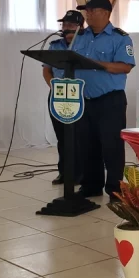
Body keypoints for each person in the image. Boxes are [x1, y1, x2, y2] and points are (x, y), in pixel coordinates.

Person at [71, 0, 135, 202]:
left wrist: (98, 64)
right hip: (84, 99)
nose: (87, 14)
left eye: (91, 10)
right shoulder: (80, 36)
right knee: (87, 145)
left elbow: (126, 66)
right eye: (86, 11)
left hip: (110, 101)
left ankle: (115, 189)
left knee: (111, 146)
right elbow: (71, 60)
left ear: (106, 13)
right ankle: (91, 185)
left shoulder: (120, 38)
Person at [42, 10, 85, 185]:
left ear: (80, 27)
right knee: (63, 137)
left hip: (80, 96)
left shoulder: (85, 45)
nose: (66, 29)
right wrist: (54, 87)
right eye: (64, 25)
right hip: (58, 95)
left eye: (71, 25)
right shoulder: (55, 45)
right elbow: (46, 70)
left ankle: (82, 173)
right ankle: (65, 172)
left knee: (80, 137)